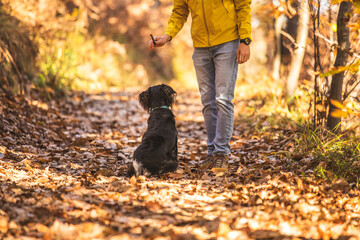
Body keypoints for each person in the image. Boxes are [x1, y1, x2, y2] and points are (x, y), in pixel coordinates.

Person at [148, 0, 252, 171]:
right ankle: (212, 154)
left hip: (228, 42)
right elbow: (180, 11)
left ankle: (221, 154)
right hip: (201, 47)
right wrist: (167, 36)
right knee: (208, 103)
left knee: (223, 99)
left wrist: (245, 40)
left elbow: (243, 6)